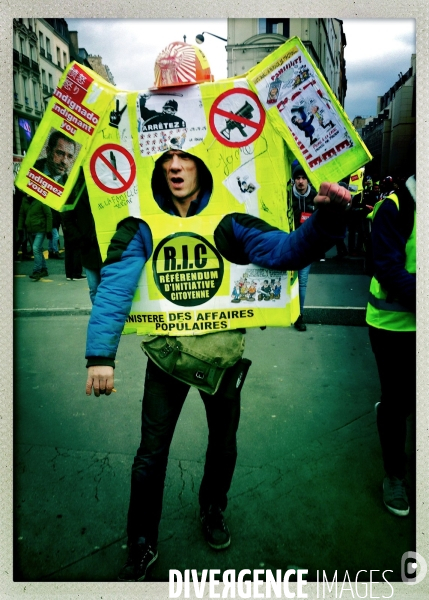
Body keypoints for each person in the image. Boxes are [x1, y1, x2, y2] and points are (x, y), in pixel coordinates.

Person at [84, 147, 352, 582]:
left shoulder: (230, 221)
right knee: (150, 456)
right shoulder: (139, 225)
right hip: (166, 358)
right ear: (157, 167)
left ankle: (212, 509)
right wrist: (100, 356)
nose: (175, 166)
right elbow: (114, 287)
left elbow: (284, 251)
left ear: (201, 163)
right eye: (167, 158)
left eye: (185, 157)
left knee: (223, 446)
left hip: (222, 357)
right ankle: (141, 540)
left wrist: (326, 221)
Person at [366, 174, 416, 517]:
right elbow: (387, 269)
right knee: (398, 401)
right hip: (393, 326)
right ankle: (395, 475)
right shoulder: (394, 208)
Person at [291, 163, 318, 332]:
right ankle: (285, 312)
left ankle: (299, 316)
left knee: (302, 283)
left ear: (307, 180)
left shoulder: (316, 197)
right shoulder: (287, 196)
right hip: (289, 246)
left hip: (306, 247)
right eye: (297, 178)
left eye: (303, 178)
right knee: (287, 282)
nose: (300, 181)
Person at [17, 194, 52, 281]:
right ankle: (44, 270)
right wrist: (20, 227)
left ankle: (37, 271)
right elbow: (21, 214)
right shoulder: (24, 200)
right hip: (30, 230)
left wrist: (49, 230)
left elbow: (48, 214)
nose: (27, 193)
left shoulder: (41, 199)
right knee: (38, 249)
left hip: (40, 229)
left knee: (35, 248)